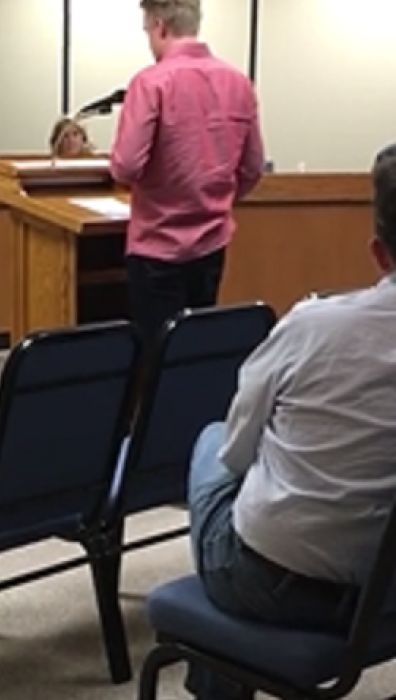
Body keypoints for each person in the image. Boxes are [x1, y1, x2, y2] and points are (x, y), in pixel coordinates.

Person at [185, 144, 396, 700]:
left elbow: (237, 449)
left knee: (213, 445)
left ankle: (217, 669)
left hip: (281, 584)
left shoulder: (313, 327)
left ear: (379, 252)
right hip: (389, 587)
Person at [110, 0, 264, 343]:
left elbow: (127, 165)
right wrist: (213, 201)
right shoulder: (238, 82)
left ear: (160, 26)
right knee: (195, 346)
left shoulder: (150, 83)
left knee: (154, 351)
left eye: (148, 30)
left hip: (157, 245)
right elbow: (252, 168)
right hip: (213, 242)